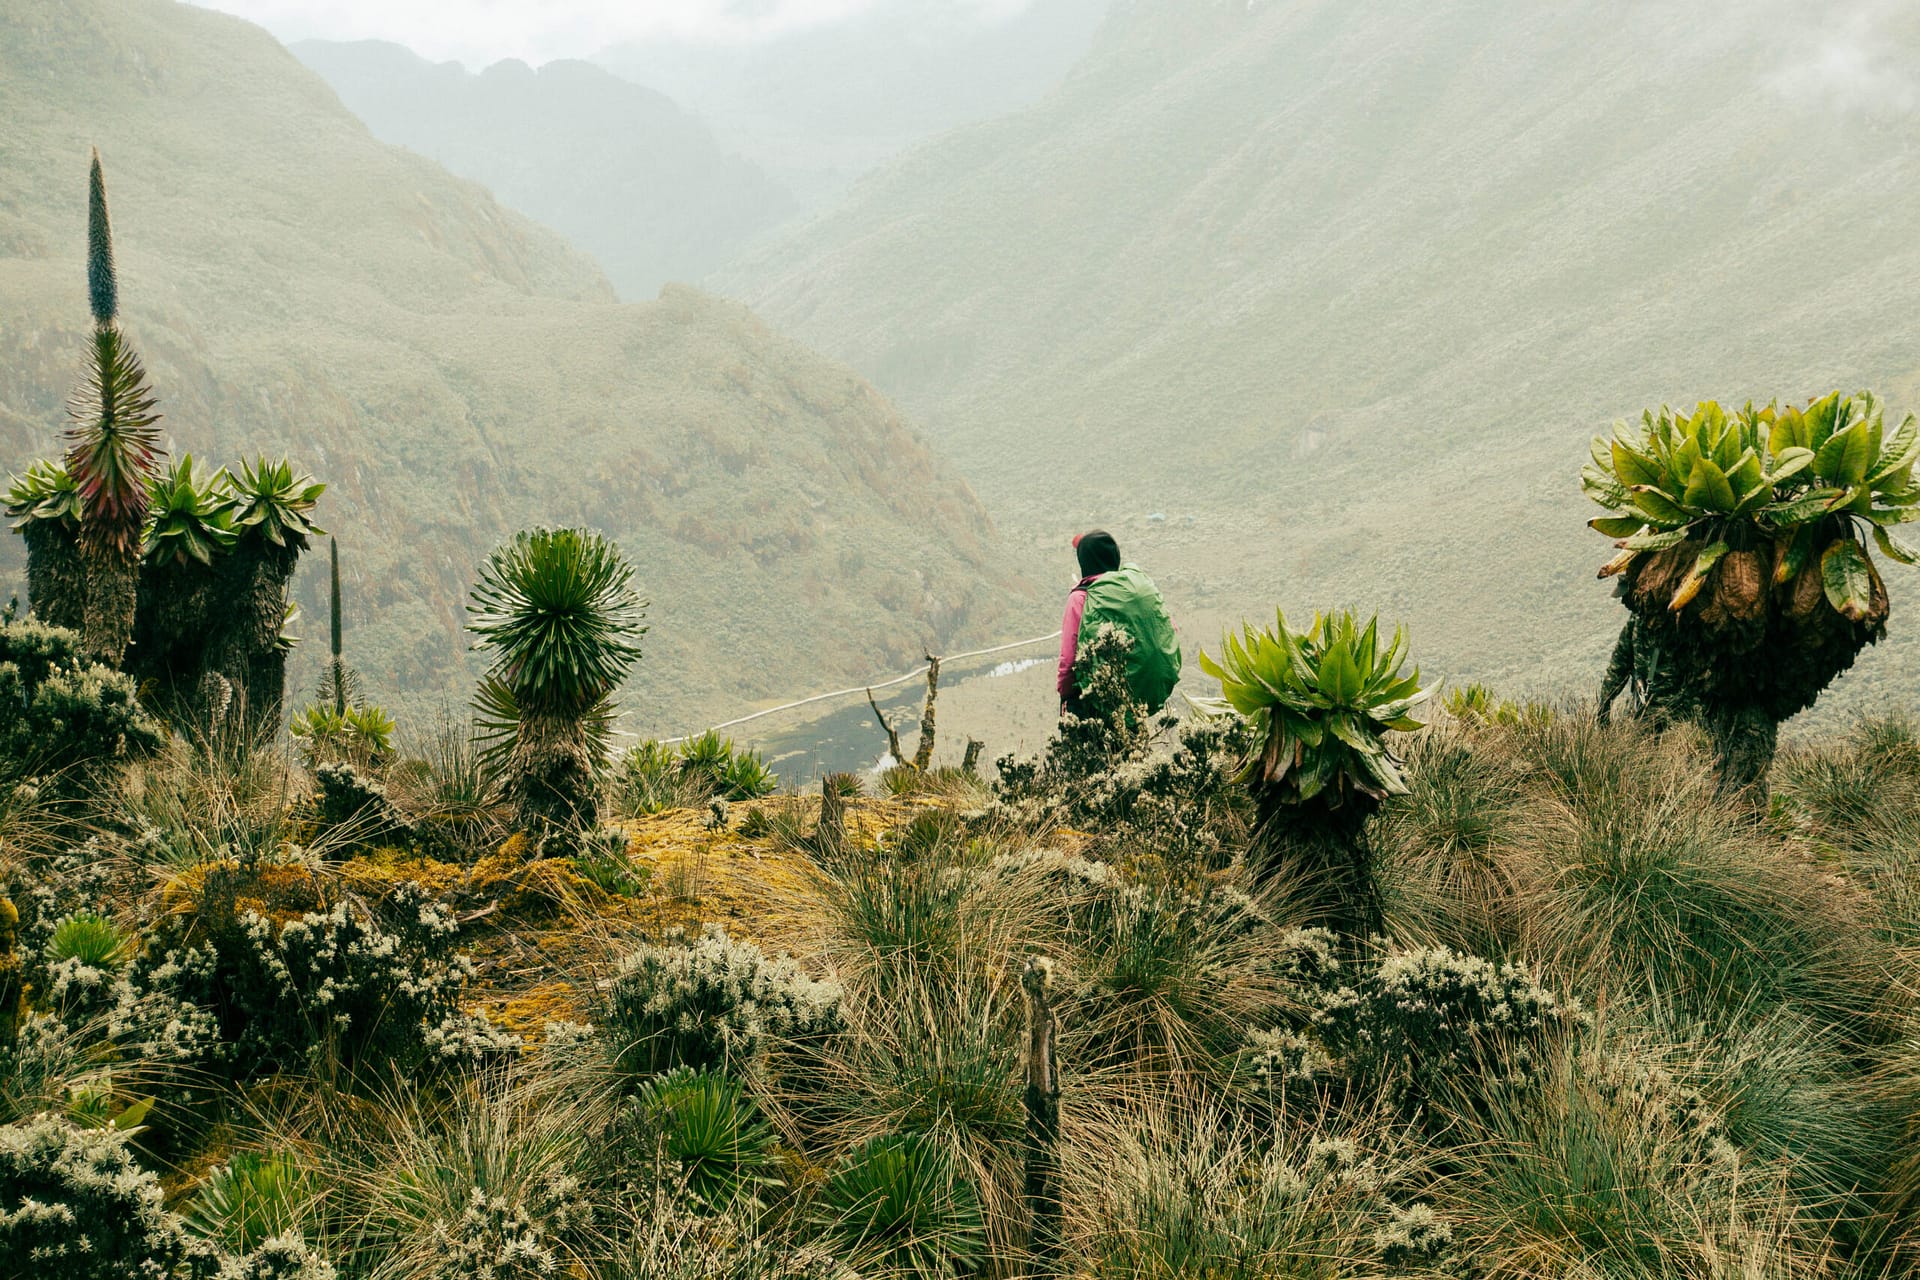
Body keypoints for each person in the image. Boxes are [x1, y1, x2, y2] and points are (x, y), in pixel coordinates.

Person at [1057, 529, 1183, 716]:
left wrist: (1066, 695)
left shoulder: (1081, 597)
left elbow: (1069, 659)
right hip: (1133, 701)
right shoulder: (1134, 589)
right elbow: (1169, 630)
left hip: (1091, 701)